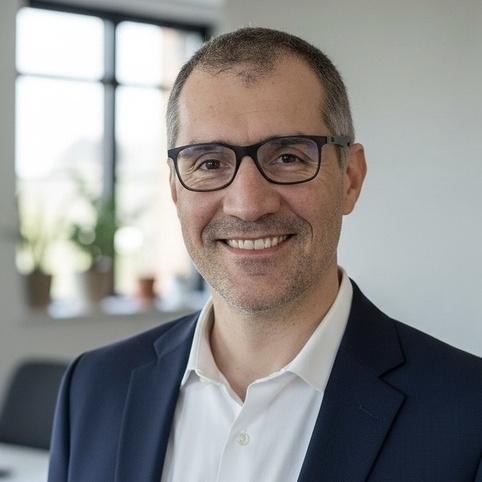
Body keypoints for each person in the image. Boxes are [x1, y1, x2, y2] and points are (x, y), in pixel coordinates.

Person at [48, 27, 482, 482]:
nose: (248, 205)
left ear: (350, 178)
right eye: (210, 163)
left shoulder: (469, 414)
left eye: (288, 157)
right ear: (175, 190)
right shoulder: (93, 387)